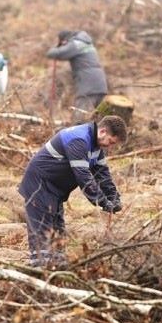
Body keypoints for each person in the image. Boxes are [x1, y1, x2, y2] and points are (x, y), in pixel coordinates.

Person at [18, 114, 127, 268]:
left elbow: (103, 174)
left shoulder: (96, 147)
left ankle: (58, 271)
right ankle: (39, 273)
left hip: (55, 189)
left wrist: (114, 198)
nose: (109, 146)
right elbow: (83, 176)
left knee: (58, 234)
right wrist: (102, 202)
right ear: (102, 131)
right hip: (39, 184)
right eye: (110, 142)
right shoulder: (79, 139)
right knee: (41, 233)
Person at [46, 30, 108, 121]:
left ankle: (77, 135)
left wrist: (56, 47)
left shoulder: (76, 44)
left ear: (64, 41)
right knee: (99, 119)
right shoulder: (86, 43)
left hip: (88, 85)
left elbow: (55, 53)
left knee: (79, 117)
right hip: (100, 84)